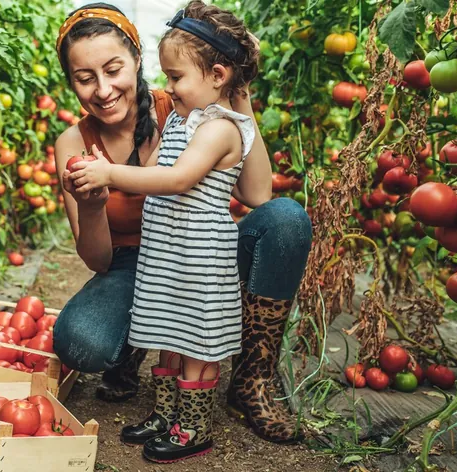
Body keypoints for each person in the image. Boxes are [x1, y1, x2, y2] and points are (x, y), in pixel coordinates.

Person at [52, 0, 313, 451]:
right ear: (71, 81)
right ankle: (136, 353)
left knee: (286, 218)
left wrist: (238, 93)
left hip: (200, 248)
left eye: (113, 68)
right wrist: (92, 205)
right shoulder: (74, 143)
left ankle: (252, 380)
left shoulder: (191, 106)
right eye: (84, 77)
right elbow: (98, 259)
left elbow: (255, 196)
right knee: (80, 345)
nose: (103, 89)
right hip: (136, 260)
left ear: (137, 59)